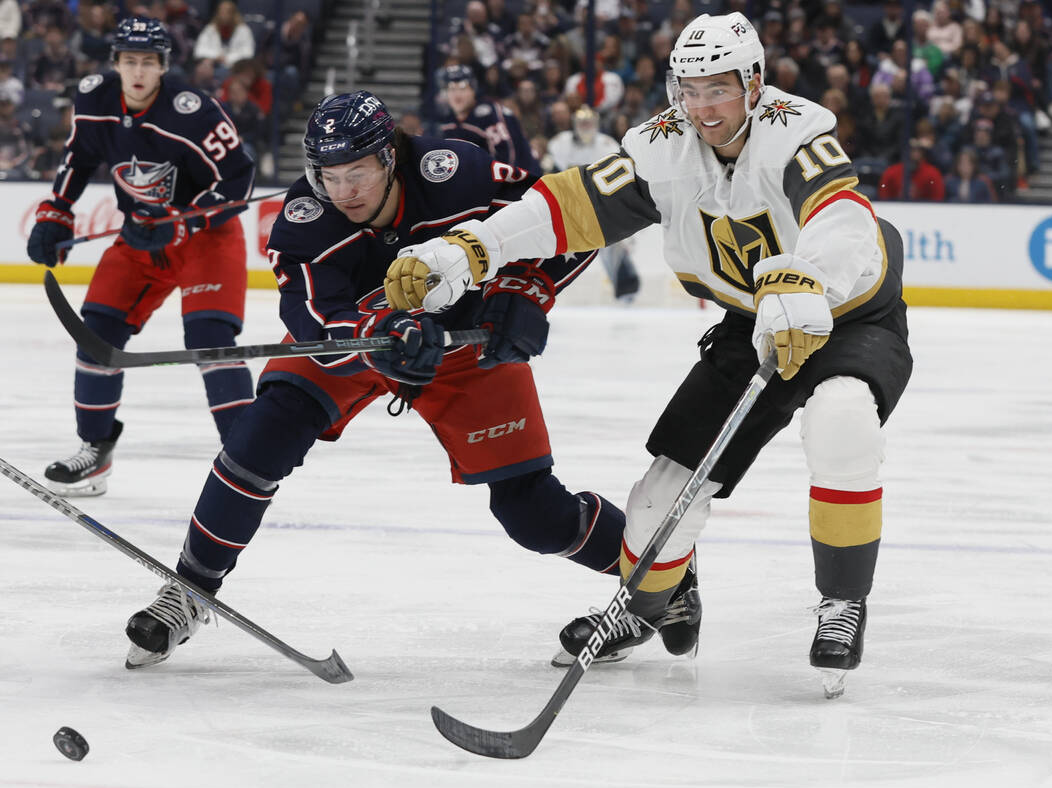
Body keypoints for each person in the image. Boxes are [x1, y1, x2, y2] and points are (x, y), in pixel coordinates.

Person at [386, 12, 913, 698]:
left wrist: (805, 277)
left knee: (843, 419)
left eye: (718, 89)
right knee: (663, 494)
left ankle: (843, 602)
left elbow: (840, 215)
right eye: (688, 89)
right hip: (753, 316)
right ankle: (642, 608)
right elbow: (565, 204)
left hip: (848, 311)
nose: (701, 107)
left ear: (754, 84)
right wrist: (472, 249)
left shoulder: (797, 128)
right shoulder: (664, 145)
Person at [122, 91, 629, 670]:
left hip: (464, 346)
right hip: (363, 339)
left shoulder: (457, 173)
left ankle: (656, 580)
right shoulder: (305, 218)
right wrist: (380, 332)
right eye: (327, 175)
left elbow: (564, 217)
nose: (343, 192)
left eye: (357, 172)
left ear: (389, 157)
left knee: (534, 515)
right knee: (260, 437)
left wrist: (525, 292)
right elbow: (312, 318)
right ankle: (188, 589)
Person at [26, 17, 256, 498]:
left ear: (163, 67)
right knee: (95, 336)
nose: (137, 71)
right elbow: (78, 159)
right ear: (114, 64)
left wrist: (183, 221)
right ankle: (94, 451)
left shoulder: (194, 112)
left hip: (204, 237)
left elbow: (238, 180)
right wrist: (55, 213)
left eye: (147, 62)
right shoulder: (93, 99)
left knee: (210, 340)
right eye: (129, 61)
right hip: (141, 237)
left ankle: (248, 458)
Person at [546, 106, 639, 302]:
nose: (586, 127)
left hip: (601, 204)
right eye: (582, 123)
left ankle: (626, 286)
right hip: (569, 204)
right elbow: (550, 172)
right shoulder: (561, 143)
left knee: (614, 245)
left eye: (589, 123)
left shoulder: (607, 144)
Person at [435, 63, 540, 176]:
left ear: (473, 90)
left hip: (522, 180)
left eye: (462, 88)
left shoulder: (490, 113)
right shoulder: (446, 120)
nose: (457, 95)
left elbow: (508, 157)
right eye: (451, 89)